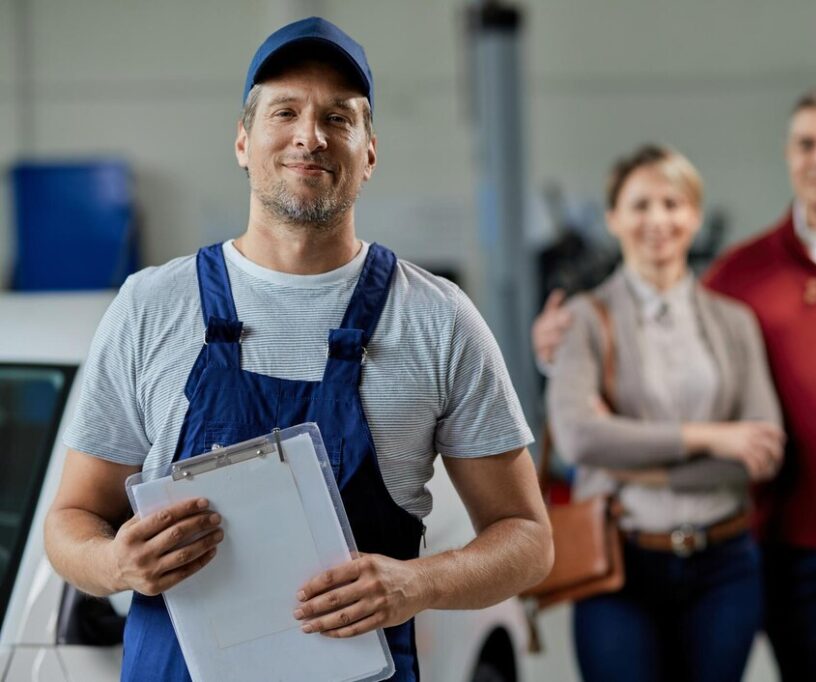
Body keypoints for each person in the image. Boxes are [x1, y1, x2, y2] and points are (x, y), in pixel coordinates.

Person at [42, 17, 552, 682]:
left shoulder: (438, 319)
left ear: (369, 152)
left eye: (339, 118)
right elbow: (71, 518)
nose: (310, 135)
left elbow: (528, 539)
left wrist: (416, 585)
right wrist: (113, 565)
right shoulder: (150, 307)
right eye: (285, 111)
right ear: (242, 141)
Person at [533, 83, 816, 682]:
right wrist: (557, 354)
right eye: (806, 143)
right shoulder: (741, 275)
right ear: (788, 154)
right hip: (787, 548)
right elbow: (645, 364)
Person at [545, 144, 785, 682]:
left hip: (725, 565)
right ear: (614, 218)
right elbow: (579, 440)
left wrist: (630, 459)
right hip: (621, 564)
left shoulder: (735, 322)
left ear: (695, 216)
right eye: (640, 205)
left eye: (673, 204)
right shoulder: (583, 319)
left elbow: (762, 453)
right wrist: (713, 438)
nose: (658, 220)